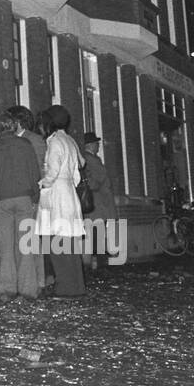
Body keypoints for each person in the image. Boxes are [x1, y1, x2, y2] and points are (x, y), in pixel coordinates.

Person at [0, 112, 41, 299]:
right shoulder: (26, 145)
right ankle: (28, 289)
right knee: (25, 245)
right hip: (25, 199)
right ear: (14, 126)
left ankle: (7, 290)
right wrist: (35, 198)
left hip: (2, 201)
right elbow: (35, 174)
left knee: (6, 247)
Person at [36, 106, 85, 296]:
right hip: (69, 194)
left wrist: (42, 183)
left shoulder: (55, 141)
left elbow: (52, 172)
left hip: (56, 193)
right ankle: (76, 286)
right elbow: (80, 165)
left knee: (55, 242)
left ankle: (65, 287)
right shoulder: (69, 140)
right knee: (70, 244)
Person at [9, 106, 48, 290]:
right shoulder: (14, 140)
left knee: (30, 239)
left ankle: (38, 280)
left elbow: (40, 170)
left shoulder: (34, 140)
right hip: (17, 195)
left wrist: (35, 196)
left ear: (17, 122)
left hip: (31, 196)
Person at [82, 132, 117, 262]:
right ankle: (99, 260)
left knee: (96, 231)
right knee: (97, 231)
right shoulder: (91, 159)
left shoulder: (89, 159)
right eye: (96, 143)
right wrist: (98, 184)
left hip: (98, 202)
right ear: (90, 145)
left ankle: (97, 260)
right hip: (99, 202)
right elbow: (96, 179)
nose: (98, 146)